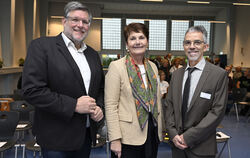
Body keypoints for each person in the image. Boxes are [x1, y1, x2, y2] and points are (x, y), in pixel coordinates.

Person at [22, 1, 104, 158]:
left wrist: (99, 107)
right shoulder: (42, 46)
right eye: (75, 20)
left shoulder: (93, 55)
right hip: (56, 138)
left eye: (85, 21)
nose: (80, 25)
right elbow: (32, 90)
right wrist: (73, 105)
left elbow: (100, 89)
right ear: (64, 21)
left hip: (85, 136)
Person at [165, 25, 228, 158]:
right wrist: (173, 134)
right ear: (184, 47)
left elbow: (217, 112)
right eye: (188, 43)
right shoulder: (176, 75)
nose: (192, 46)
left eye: (197, 42)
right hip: (177, 147)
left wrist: (188, 137)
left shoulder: (218, 75)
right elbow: (169, 106)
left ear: (205, 46)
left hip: (202, 148)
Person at [105, 23, 162, 158]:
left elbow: (156, 100)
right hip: (127, 137)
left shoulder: (152, 66)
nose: (137, 42)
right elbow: (110, 105)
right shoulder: (116, 67)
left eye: (141, 37)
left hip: (151, 132)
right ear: (127, 43)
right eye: (133, 38)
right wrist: (115, 139)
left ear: (147, 42)